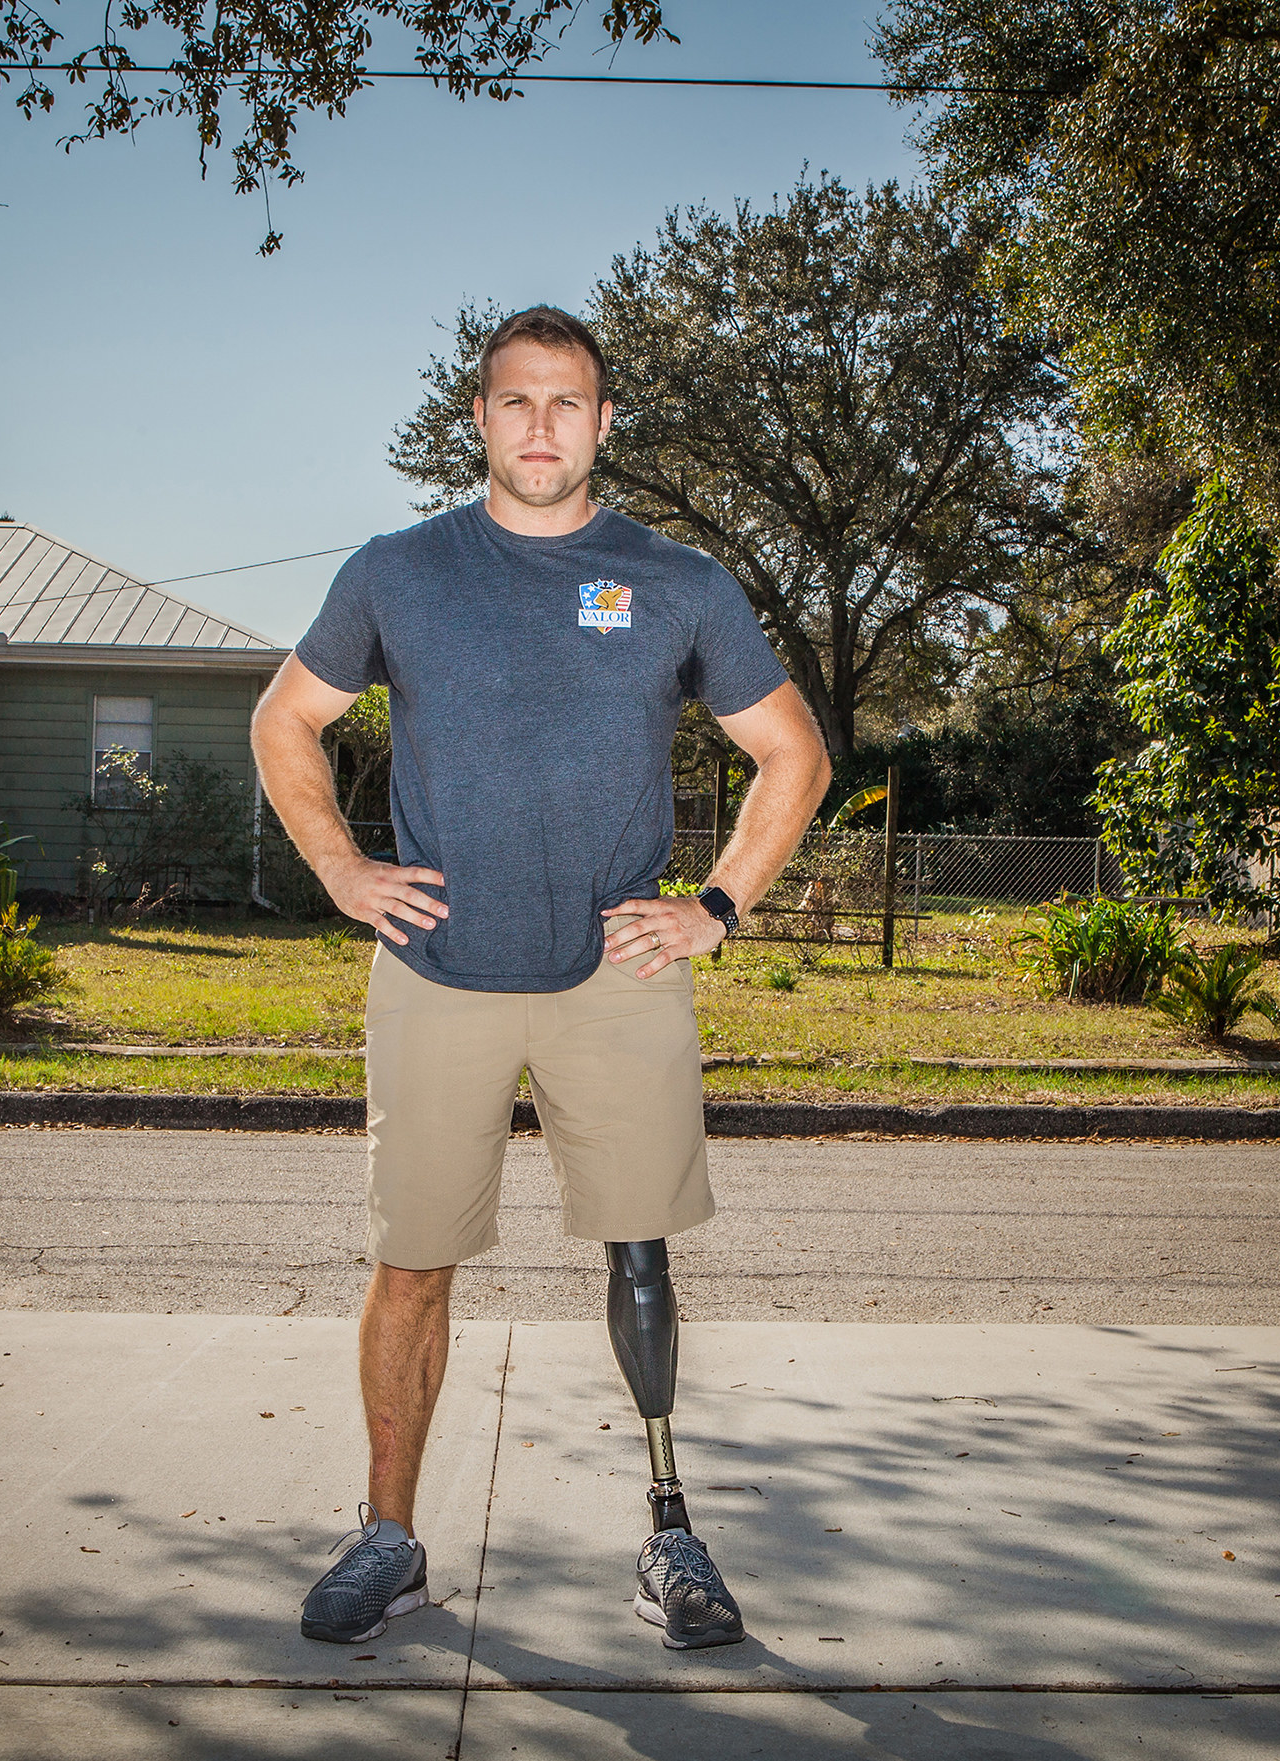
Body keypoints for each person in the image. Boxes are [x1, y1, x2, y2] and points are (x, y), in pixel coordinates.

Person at [249, 305, 829, 1653]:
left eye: (567, 403)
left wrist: (717, 905)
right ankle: (389, 1537)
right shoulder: (398, 572)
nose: (542, 427)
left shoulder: (674, 579)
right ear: (479, 419)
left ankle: (671, 1532)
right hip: (438, 962)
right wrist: (340, 867)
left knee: (642, 1244)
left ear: (605, 421)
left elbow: (790, 752)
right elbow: (287, 716)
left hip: (615, 971)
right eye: (517, 402)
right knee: (412, 1257)